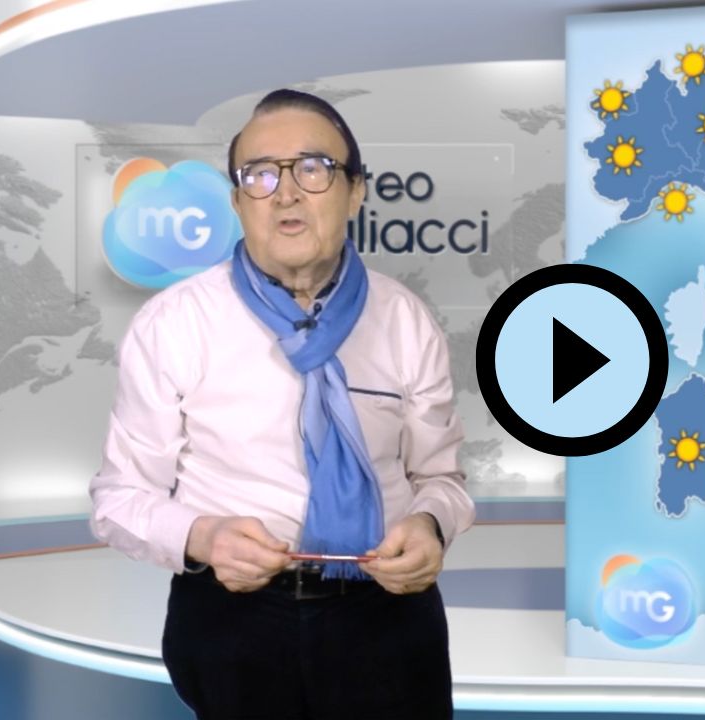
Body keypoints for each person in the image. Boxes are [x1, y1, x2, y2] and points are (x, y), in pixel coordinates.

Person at [89, 88, 474, 719]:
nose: (286, 193)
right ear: (238, 202)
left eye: (313, 169)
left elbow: (442, 481)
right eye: (260, 175)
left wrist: (431, 525)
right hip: (232, 621)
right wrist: (203, 537)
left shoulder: (406, 320)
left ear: (356, 190)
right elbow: (118, 499)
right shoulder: (174, 324)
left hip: (386, 617)